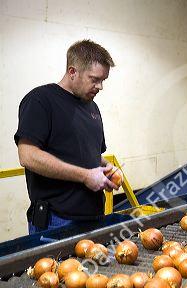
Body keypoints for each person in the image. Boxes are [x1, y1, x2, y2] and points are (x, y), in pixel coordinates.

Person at [15, 39, 120, 234]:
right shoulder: (41, 101)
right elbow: (27, 156)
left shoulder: (92, 107)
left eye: (103, 80)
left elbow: (89, 155)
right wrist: (85, 176)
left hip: (93, 216)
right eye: (94, 79)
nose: (100, 87)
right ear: (72, 72)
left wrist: (106, 169)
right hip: (56, 220)